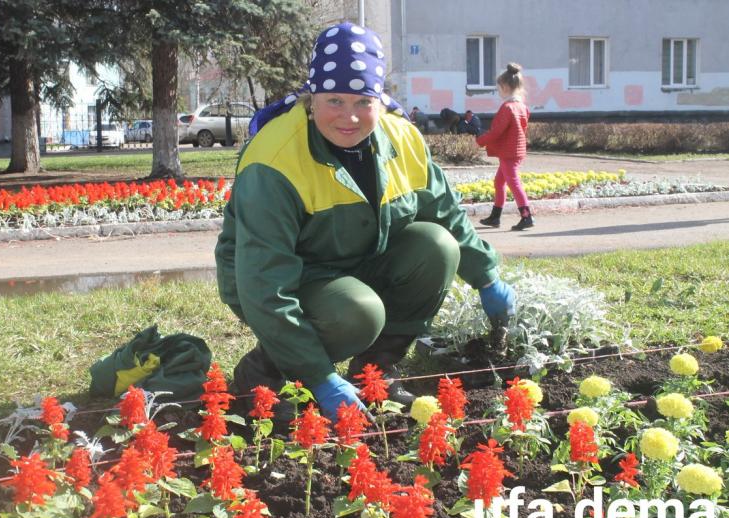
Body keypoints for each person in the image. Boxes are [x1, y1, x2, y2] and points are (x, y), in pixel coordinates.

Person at [215, 22, 517, 421]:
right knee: (358, 312)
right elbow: (263, 284)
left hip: (358, 258)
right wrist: (319, 376)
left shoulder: (402, 138)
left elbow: (444, 211)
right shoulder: (274, 161)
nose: (349, 117)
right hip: (281, 278)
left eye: (362, 102)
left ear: (380, 99)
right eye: (334, 101)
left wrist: (487, 276)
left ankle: (375, 371)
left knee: (436, 246)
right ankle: (265, 374)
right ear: (311, 99)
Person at [476, 63, 534, 231]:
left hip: (509, 152)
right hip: (516, 150)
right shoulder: (522, 107)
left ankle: (526, 216)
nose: (499, 92)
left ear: (506, 87)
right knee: (499, 182)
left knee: (513, 182)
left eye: (499, 88)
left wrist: (479, 141)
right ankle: (495, 216)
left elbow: (496, 132)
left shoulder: (507, 108)